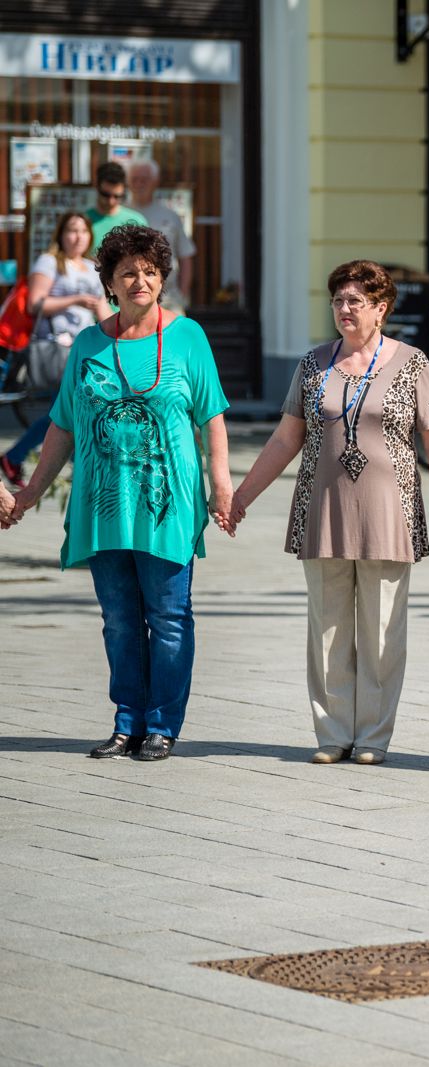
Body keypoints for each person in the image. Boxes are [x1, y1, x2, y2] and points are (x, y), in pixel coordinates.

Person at [227, 261, 429, 765]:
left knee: (382, 632)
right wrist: (242, 496)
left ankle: (373, 737)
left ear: (381, 309)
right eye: (338, 300)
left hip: (391, 512)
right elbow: (285, 440)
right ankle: (332, 733)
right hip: (323, 510)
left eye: (355, 301)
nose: (344, 309)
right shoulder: (313, 363)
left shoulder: (413, 363)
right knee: (327, 629)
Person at [8, 225, 231, 762]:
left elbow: (213, 417)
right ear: (108, 281)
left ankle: (162, 725)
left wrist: (222, 485)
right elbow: (63, 425)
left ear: (163, 278)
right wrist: (30, 493)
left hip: (168, 504)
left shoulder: (188, 337)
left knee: (169, 618)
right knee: (119, 621)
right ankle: (127, 722)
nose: (140, 281)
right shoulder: (89, 344)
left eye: (150, 272)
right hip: (102, 505)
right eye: (128, 272)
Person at [1, 212, 109, 488]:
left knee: (66, 411)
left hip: (86, 349)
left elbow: (102, 310)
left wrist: (123, 336)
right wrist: (75, 299)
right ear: (61, 234)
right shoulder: (49, 262)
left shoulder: (91, 267)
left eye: (83, 231)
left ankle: (17, 457)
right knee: (68, 411)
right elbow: (35, 304)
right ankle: (77, 466)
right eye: (71, 230)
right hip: (57, 347)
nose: (77, 237)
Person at [127, 159, 196, 308]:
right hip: (130, 299)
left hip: (168, 297)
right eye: (134, 179)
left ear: (155, 182)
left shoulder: (170, 216)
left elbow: (185, 256)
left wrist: (183, 294)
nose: (139, 184)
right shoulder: (121, 215)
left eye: (144, 180)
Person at [85, 161, 148, 253]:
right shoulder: (83, 221)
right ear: (96, 187)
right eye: (105, 195)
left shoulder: (137, 222)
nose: (111, 201)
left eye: (117, 196)